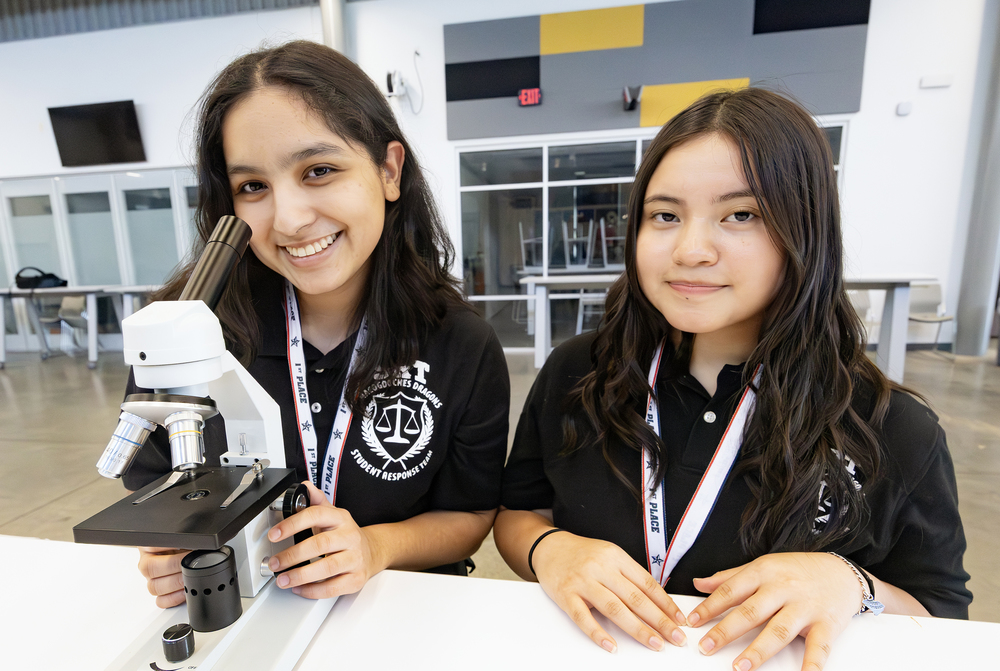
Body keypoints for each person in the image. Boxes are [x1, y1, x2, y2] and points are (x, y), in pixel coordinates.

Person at [494, 88, 971, 671]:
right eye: (665, 215)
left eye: (740, 215)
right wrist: (553, 550)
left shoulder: (891, 427)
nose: (691, 250)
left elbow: (942, 615)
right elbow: (518, 513)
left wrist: (853, 585)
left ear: (805, 231)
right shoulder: (578, 371)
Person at [125, 40, 509, 608]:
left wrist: (375, 548)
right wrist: (164, 552)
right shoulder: (186, 332)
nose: (289, 218)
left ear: (388, 170)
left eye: (319, 170)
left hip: (400, 613)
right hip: (246, 607)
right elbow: (151, 488)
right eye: (252, 186)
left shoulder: (459, 342)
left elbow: (471, 514)